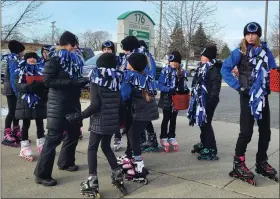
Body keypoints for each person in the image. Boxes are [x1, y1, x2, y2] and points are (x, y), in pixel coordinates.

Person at [221, 22, 278, 185]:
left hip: (262, 97)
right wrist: (239, 87)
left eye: (254, 34)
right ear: (245, 36)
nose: (251, 36)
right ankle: (238, 164)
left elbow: (273, 70)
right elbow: (224, 69)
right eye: (248, 34)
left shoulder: (266, 51)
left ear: (258, 35)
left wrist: (274, 77)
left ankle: (261, 161)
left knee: (266, 132)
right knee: (246, 132)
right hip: (247, 96)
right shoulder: (239, 52)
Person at [66, 53, 126, 197]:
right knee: (106, 147)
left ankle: (92, 180)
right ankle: (117, 176)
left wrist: (79, 116)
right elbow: (120, 103)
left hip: (99, 121)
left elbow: (94, 105)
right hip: (112, 121)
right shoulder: (117, 79)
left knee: (92, 148)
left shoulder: (96, 79)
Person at [34, 31, 89, 186]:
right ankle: (42, 174)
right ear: (65, 44)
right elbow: (47, 81)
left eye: (76, 44)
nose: (75, 47)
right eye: (73, 44)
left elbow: (74, 80)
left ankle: (65, 162)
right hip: (57, 104)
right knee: (53, 138)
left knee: (73, 134)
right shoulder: (54, 59)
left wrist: (82, 82)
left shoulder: (76, 60)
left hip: (73, 103)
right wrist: (72, 83)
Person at [120, 53, 159, 184]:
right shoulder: (146, 76)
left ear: (133, 64)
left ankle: (139, 167)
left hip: (140, 111)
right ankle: (131, 158)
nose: (126, 63)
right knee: (133, 134)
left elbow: (124, 95)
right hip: (148, 111)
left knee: (133, 136)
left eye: (128, 61)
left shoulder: (130, 76)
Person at [187, 46, 222, 160]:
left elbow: (216, 86)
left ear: (210, 57)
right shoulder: (201, 67)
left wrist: (211, 100)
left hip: (209, 100)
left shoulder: (214, 69)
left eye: (204, 55)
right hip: (200, 99)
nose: (201, 57)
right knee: (202, 123)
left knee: (206, 124)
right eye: (202, 55)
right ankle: (204, 143)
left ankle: (211, 148)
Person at [15, 52, 47, 161]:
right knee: (26, 123)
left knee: (40, 122)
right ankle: (24, 148)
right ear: (26, 59)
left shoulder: (42, 69)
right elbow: (18, 85)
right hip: (25, 102)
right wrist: (29, 86)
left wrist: (42, 87)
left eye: (34, 58)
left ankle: (41, 144)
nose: (32, 59)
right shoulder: (21, 69)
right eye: (30, 58)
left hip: (39, 101)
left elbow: (46, 84)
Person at [158, 51, 189, 152]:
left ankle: (171, 136)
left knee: (173, 119)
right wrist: (168, 89)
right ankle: (163, 136)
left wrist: (185, 90)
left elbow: (183, 84)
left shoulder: (182, 72)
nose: (173, 63)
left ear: (179, 62)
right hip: (167, 98)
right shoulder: (165, 71)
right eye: (171, 61)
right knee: (166, 118)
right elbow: (160, 85)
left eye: (175, 61)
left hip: (177, 99)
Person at [2, 40, 25, 147]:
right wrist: (17, 90)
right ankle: (6, 134)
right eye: (22, 51)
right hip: (12, 90)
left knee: (16, 111)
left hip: (15, 89)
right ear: (18, 51)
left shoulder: (16, 59)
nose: (23, 53)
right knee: (12, 111)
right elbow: (13, 77)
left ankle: (16, 130)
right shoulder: (13, 59)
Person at [138, 40, 159, 152]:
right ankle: (145, 138)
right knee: (144, 116)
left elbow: (149, 73)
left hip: (145, 89)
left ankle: (149, 140)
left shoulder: (144, 57)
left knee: (145, 116)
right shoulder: (148, 56)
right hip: (147, 89)